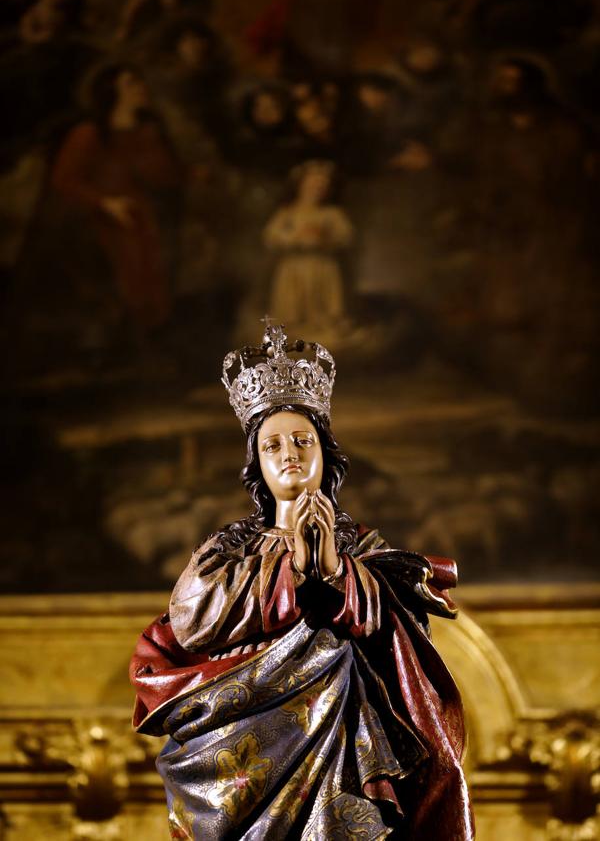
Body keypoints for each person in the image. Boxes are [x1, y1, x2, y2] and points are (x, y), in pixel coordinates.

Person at [130, 323, 474, 840]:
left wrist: (337, 570)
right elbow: (192, 616)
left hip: (345, 741)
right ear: (258, 465)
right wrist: (291, 568)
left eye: (301, 440)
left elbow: (400, 640)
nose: (289, 452)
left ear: (324, 452)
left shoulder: (363, 547)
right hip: (247, 737)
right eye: (272, 445)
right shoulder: (230, 547)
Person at [50, 62, 183, 333]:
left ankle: (154, 332)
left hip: (144, 214)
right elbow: (65, 180)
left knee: (155, 273)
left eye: (139, 83)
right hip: (98, 218)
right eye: (131, 84)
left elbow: (167, 176)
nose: (141, 89)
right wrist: (103, 202)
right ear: (112, 92)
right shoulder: (88, 134)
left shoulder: (148, 130)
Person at [263, 160, 352, 340]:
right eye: (312, 185)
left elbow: (345, 237)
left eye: (322, 186)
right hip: (293, 268)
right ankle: (293, 335)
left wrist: (325, 237)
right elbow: (271, 236)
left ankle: (322, 332)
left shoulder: (331, 214)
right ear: (301, 185)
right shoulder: (288, 213)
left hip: (322, 267)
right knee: (292, 307)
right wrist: (296, 236)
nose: (317, 189)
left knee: (321, 309)